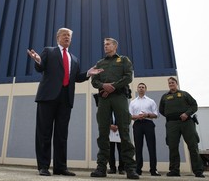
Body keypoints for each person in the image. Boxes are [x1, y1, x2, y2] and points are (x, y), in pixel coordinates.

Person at [27, 27, 103, 177]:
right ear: (58, 37)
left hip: (65, 99)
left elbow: (77, 78)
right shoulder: (49, 51)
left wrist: (88, 73)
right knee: (44, 132)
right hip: (48, 97)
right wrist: (37, 60)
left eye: (69, 35)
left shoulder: (74, 59)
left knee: (62, 134)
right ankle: (43, 166)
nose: (67, 37)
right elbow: (41, 67)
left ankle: (60, 167)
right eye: (64, 35)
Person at [90, 37, 139, 179]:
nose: (105, 46)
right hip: (104, 99)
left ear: (115, 46)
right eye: (104, 44)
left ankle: (130, 168)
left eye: (108, 44)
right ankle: (101, 168)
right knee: (103, 132)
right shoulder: (100, 63)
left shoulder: (124, 60)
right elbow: (94, 81)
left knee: (124, 130)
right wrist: (103, 86)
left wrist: (112, 87)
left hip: (119, 97)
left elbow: (128, 77)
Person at [159, 77, 205, 178]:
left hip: (186, 122)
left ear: (176, 84)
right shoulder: (164, 97)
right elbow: (162, 110)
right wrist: (171, 116)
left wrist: (187, 114)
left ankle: (198, 171)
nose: (171, 84)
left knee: (193, 146)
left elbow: (194, 105)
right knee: (173, 147)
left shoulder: (184, 94)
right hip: (172, 124)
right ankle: (174, 170)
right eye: (169, 83)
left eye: (173, 82)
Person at [129, 83, 161, 176]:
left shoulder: (151, 101)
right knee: (138, 148)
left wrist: (147, 115)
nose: (141, 89)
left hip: (148, 123)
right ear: (137, 89)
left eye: (143, 87)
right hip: (137, 124)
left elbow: (156, 114)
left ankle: (153, 170)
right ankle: (138, 169)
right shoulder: (133, 102)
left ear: (145, 89)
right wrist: (138, 116)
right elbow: (130, 116)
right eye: (139, 87)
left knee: (151, 147)